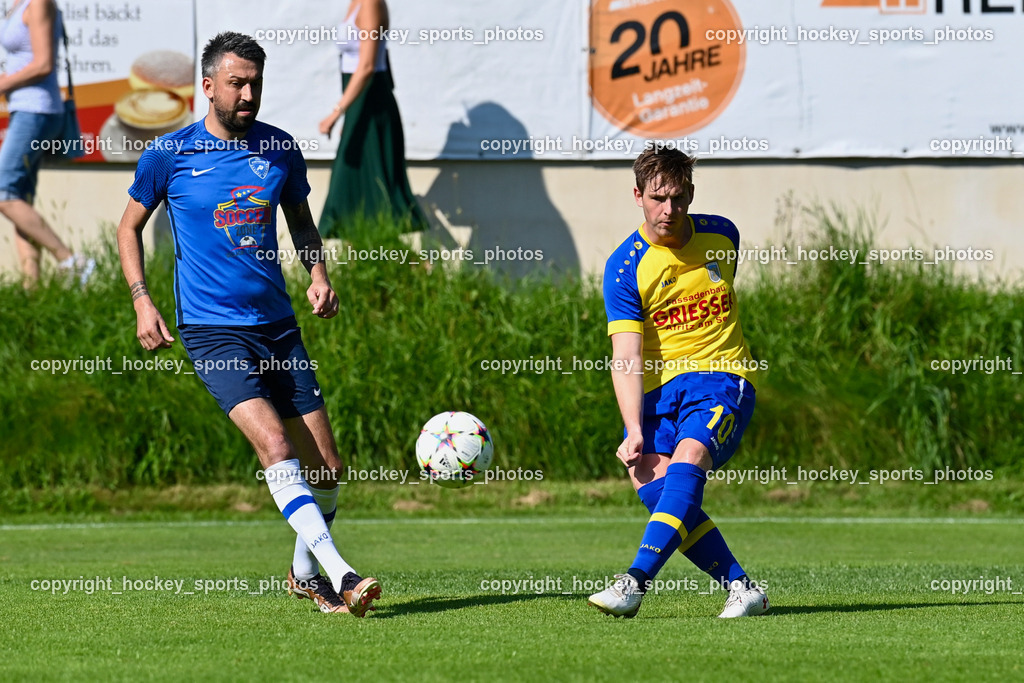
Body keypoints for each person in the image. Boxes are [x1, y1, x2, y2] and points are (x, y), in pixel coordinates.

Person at [116, 31, 381, 616]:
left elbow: (302, 224)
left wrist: (318, 273)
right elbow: (127, 227)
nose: (248, 93)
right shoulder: (169, 154)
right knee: (276, 446)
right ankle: (342, 573)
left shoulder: (280, 150)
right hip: (212, 330)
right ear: (207, 86)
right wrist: (142, 299)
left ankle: (304, 570)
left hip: (279, 326)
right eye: (237, 82)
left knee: (329, 469)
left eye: (255, 82)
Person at [588, 148, 769, 619]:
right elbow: (625, 356)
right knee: (651, 479)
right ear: (638, 196)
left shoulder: (722, 235)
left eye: (678, 198)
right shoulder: (625, 268)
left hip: (721, 378)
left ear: (691, 194)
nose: (668, 210)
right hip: (658, 393)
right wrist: (633, 428)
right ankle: (741, 587)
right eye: (657, 198)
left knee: (690, 458)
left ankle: (633, 583)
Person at [0, 0, 92, 286]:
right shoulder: (16, 4)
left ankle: (71, 260)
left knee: (4, 191)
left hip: (36, 110)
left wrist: (3, 84)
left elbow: (42, 63)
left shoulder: (39, 3)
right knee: (20, 196)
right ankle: (32, 289)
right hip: (25, 108)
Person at [318, 0, 427, 235]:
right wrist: (349, 115)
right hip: (359, 107)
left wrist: (337, 113)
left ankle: (411, 262)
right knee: (353, 190)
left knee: (361, 186)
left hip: (372, 105)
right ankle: (369, 258)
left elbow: (367, 66)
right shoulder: (356, 3)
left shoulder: (371, 3)